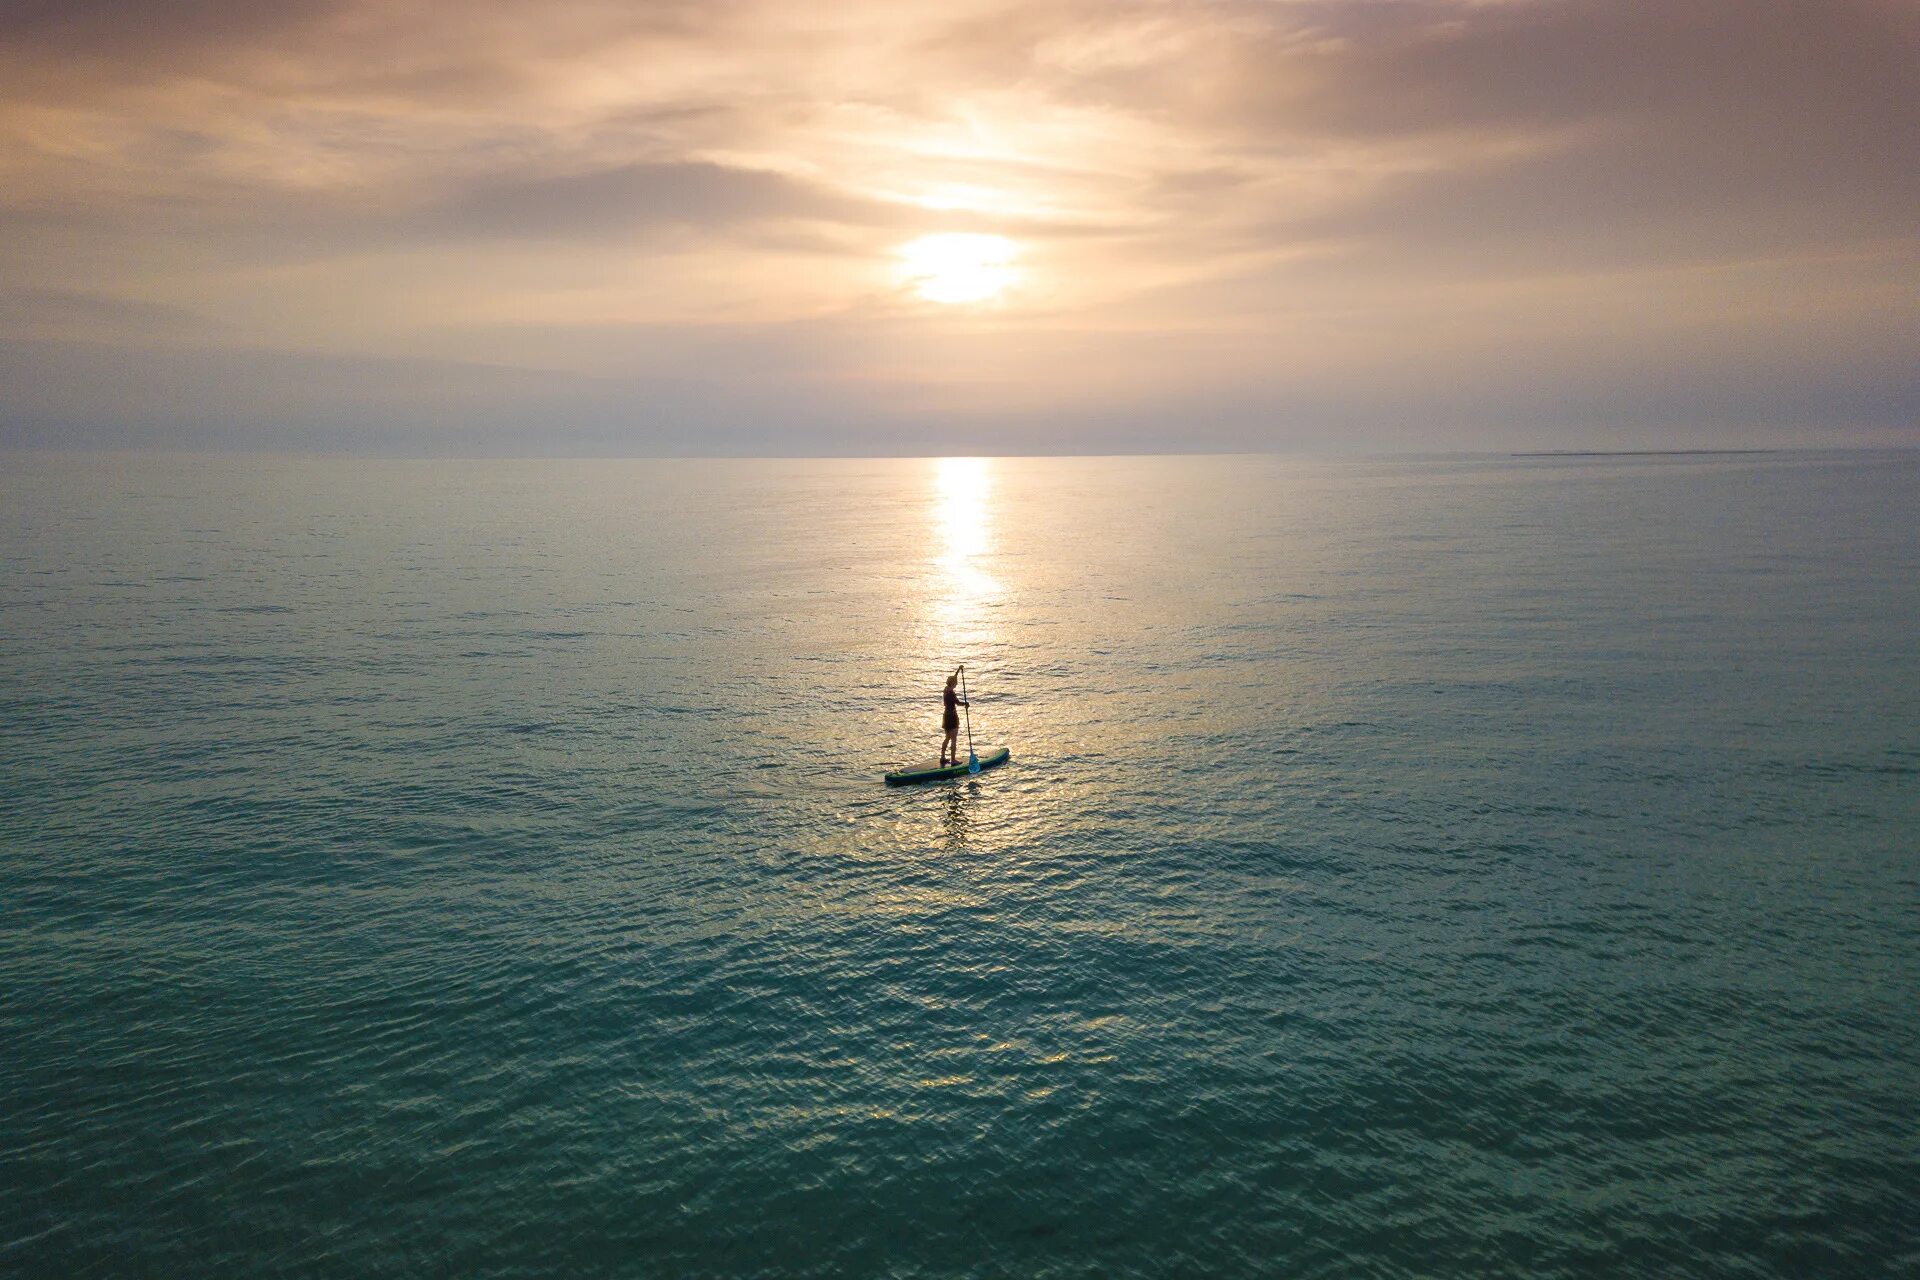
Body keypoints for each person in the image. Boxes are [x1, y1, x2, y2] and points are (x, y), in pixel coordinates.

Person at [940, 667, 969, 767]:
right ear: (953, 684)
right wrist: (966, 704)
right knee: (953, 739)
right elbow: (958, 703)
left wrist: (958, 670)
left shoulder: (945, 690)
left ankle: (943, 757)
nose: (957, 684)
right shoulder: (951, 694)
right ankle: (953, 760)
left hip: (945, 716)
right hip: (952, 717)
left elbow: (953, 679)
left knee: (947, 738)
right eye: (955, 683)